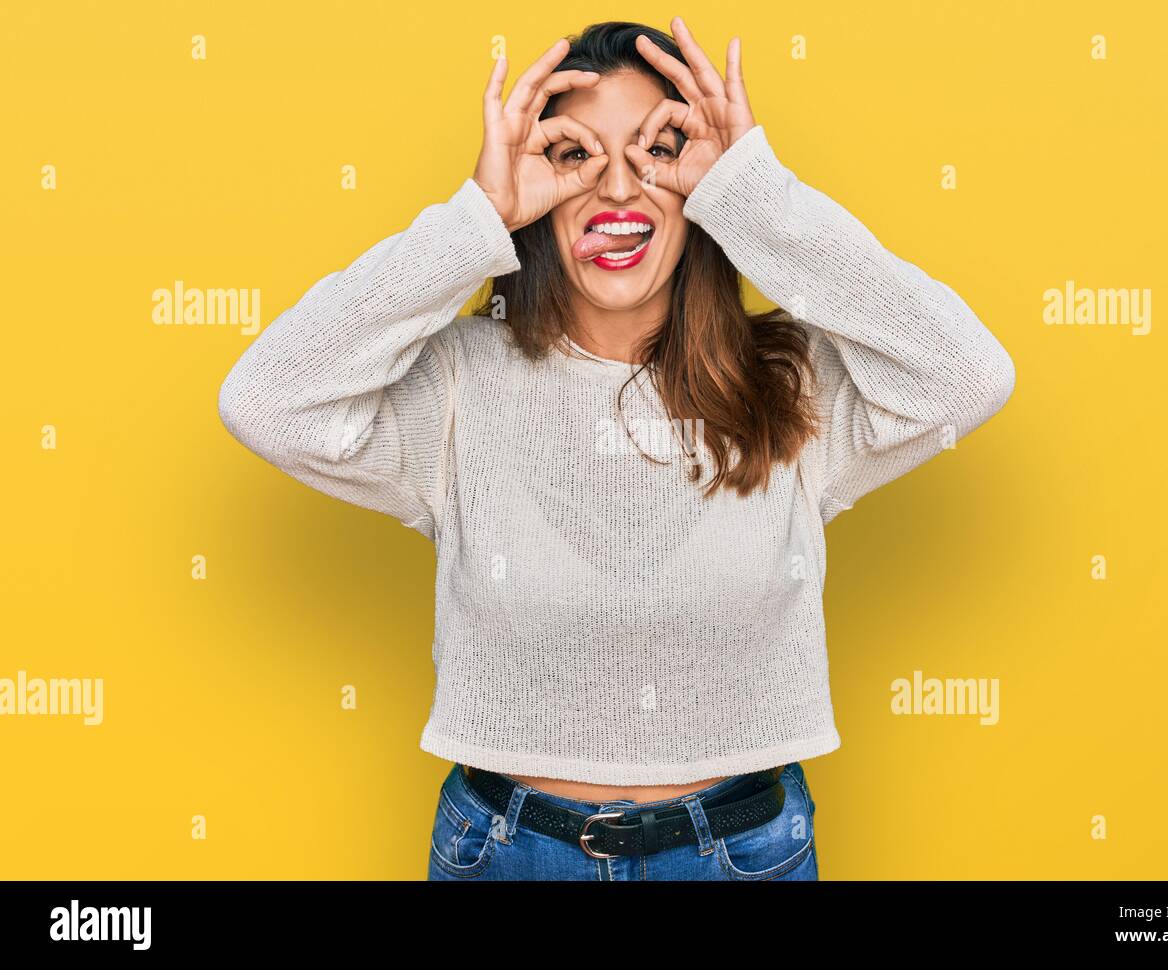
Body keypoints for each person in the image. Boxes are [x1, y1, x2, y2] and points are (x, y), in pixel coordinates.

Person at [217, 17, 1016, 880]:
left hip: (741, 855)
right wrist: (475, 218)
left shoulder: (793, 382)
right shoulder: (457, 385)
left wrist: (754, 196)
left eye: (659, 150)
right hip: (508, 853)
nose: (620, 190)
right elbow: (266, 399)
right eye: (577, 158)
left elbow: (966, 373)